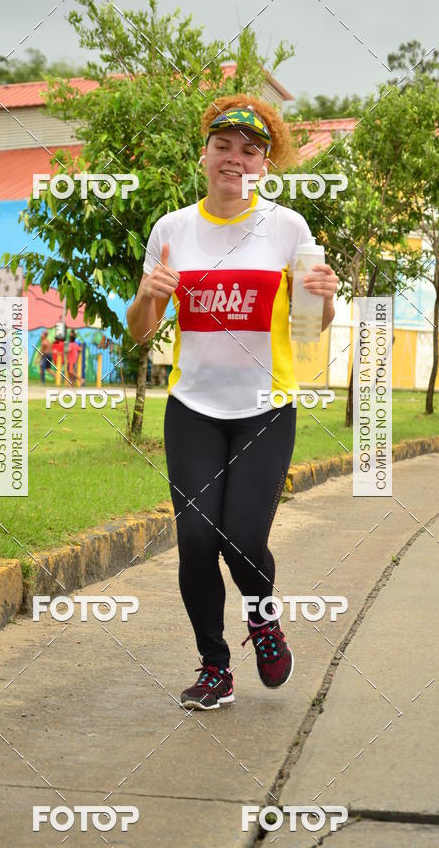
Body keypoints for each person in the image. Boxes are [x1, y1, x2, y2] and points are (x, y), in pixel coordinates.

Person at [126, 95, 339, 710]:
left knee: (242, 538)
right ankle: (214, 666)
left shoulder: (288, 228)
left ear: (264, 166)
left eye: (250, 150)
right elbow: (142, 332)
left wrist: (322, 299)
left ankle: (263, 622)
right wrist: (147, 295)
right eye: (224, 146)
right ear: (205, 154)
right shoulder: (172, 230)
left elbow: (307, 329)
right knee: (196, 538)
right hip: (192, 406)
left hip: (265, 406)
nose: (235, 158)